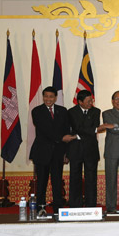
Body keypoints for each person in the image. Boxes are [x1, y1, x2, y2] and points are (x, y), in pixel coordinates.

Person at [30, 86, 75, 214]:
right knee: (42, 183)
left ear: (55, 98)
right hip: (42, 152)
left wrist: (66, 152)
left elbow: (67, 130)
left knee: (57, 182)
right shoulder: (36, 111)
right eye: (46, 96)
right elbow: (44, 129)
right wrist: (61, 138)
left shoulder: (63, 111)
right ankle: (40, 208)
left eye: (51, 96)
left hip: (58, 152)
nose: (48, 99)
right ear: (43, 97)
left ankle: (58, 209)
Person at [68, 89, 108, 207]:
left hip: (91, 150)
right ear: (80, 102)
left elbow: (86, 128)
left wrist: (80, 135)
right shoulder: (71, 112)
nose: (91, 102)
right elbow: (78, 127)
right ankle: (75, 205)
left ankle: (91, 205)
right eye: (88, 101)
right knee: (75, 178)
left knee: (91, 179)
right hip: (76, 149)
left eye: (91, 100)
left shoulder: (96, 111)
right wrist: (96, 130)